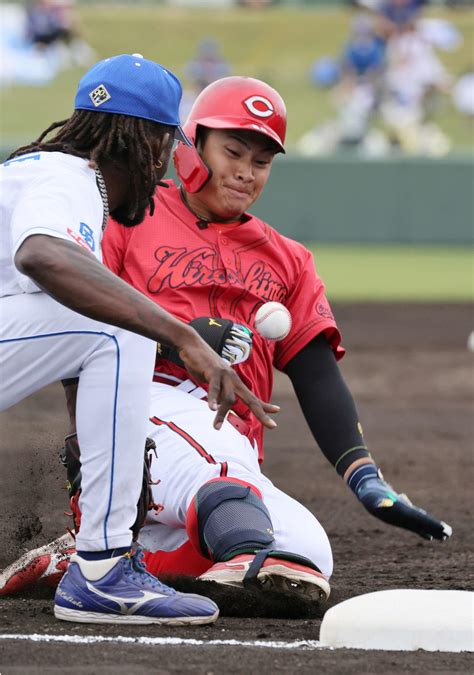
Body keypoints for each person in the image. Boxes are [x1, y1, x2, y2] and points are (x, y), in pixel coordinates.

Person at [0, 76, 452, 607]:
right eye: (232, 151)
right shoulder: (128, 214)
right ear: (190, 147)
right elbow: (82, 320)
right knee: (220, 484)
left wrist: (365, 477)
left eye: (261, 162)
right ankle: (106, 563)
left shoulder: (287, 258)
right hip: (142, 415)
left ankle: (91, 559)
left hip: (230, 443)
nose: (245, 171)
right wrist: (177, 341)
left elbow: (316, 374)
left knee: (305, 553)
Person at [0, 59, 280, 625]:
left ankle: (103, 557)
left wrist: (103, 452)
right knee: (122, 329)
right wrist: (180, 335)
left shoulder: (39, 173)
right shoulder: (67, 178)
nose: (162, 168)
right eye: (162, 149)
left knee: (105, 324)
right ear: (146, 141)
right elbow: (42, 255)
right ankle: (103, 572)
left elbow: (66, 327)